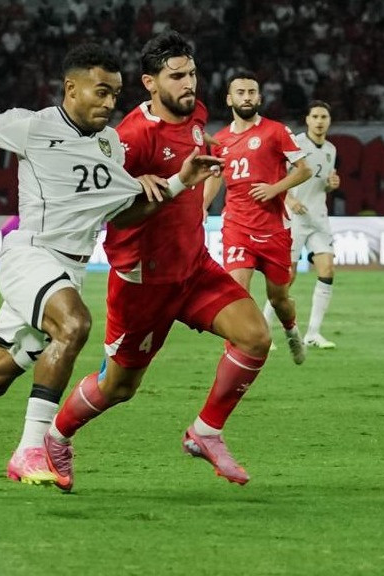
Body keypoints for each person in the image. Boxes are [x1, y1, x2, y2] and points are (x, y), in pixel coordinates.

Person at [0, 44, 223, 486]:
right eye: (100, 92)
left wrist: (177, 184)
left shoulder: (110, 145)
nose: (110, 103)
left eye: (115, 94)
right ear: (71, 88)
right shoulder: (32, 126)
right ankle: (29, 450)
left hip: (68, 269)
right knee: (74, 324)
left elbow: (122, 212)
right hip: (30, 255)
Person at [42, 31, 271, 491]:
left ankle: (205, 431)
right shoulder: (128, 139)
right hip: (143, 283)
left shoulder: (196, 115)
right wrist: (137, 185)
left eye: (192, 74)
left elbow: (192, 152)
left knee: (255, 337)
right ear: (149, 83)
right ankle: (54, 438)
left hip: (194, 267)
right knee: (119, 388)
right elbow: (108, 212)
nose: (190, 84)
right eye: (177, 76)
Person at [203, 70, 312, 365]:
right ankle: (234, 360)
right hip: (237, 226)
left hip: (274, 229)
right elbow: (216, 176)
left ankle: (291, 330)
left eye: (252, 92)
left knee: (279, 299)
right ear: (229, 99)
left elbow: (304, 169)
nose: (247, 97)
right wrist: (202, 206)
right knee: (236, 294)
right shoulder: (221, 140)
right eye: (241, 92)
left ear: (259, 97)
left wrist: (274, 188)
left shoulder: (276, 131)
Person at [263, 100, 340, 349]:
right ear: (307, 119)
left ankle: (313, 333)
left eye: (324, 117)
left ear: (329, 121)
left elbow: (321, 185)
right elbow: (278, 176)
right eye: (315, 116)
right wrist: (289, 198)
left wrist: (331, 184)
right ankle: (265, 330)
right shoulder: (295, 143)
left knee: (327, 269)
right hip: (293, 218)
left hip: (318, 217)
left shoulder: (331, 149)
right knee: (286, 277)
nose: (319, 121)